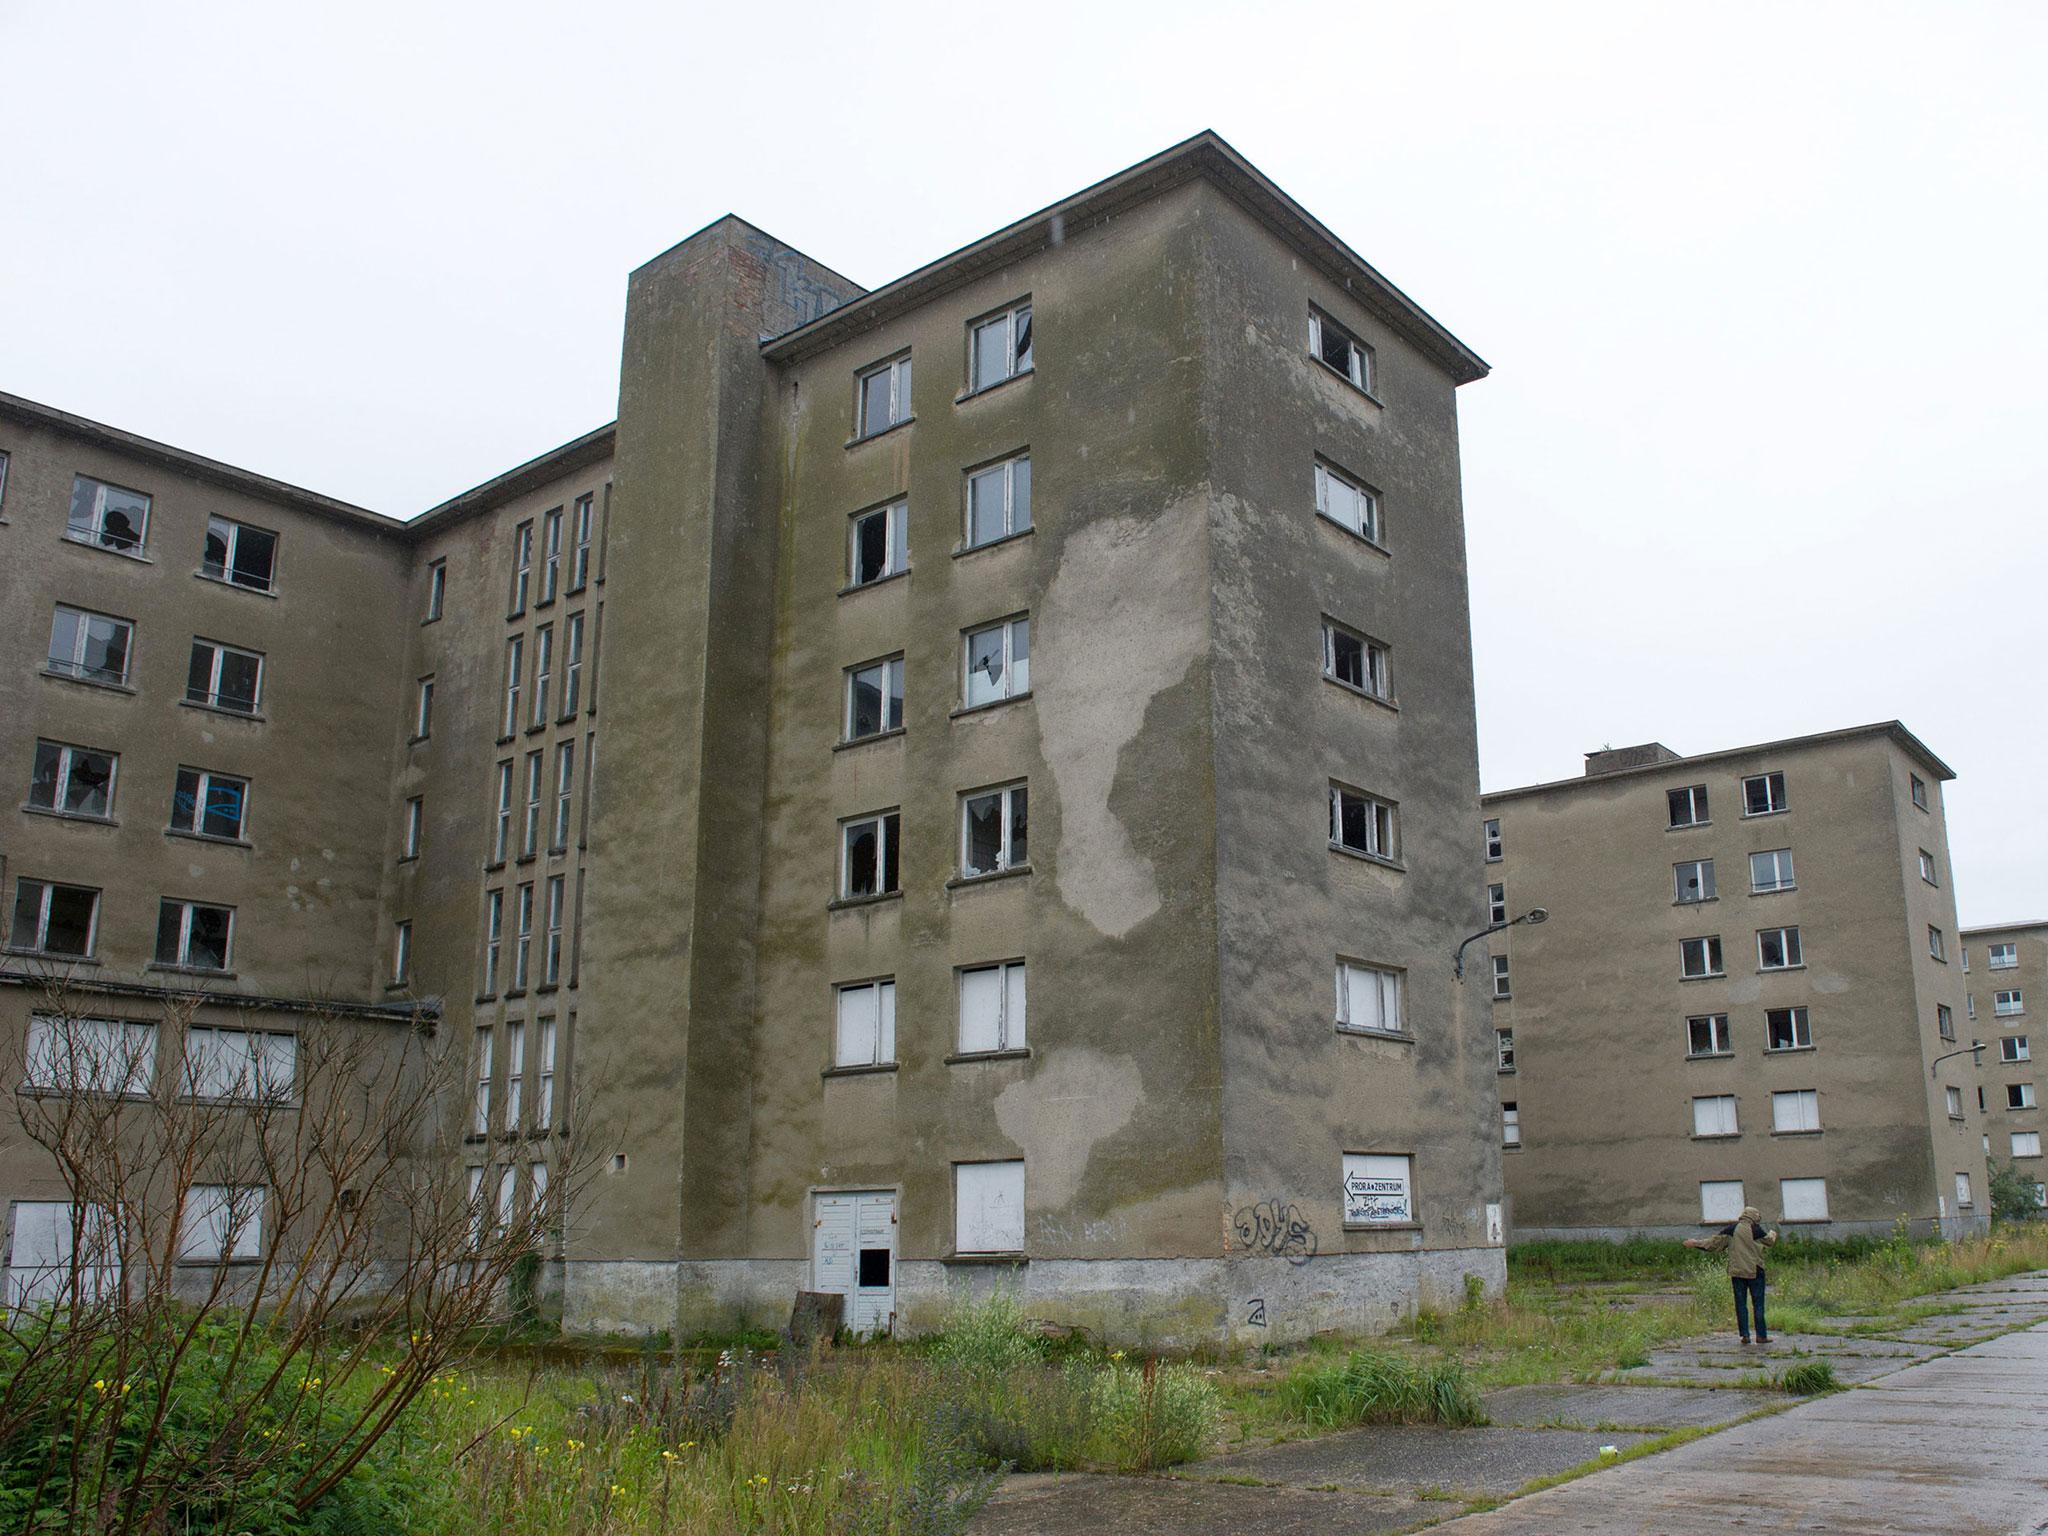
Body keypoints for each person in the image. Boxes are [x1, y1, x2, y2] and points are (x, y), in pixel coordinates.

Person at [1685, 1205, 1777, 1343]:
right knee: (1758, 1304)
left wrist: (1695, 1243)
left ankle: (1745, 1335)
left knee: (1741, 1304)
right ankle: (1761, 1336)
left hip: (1737, 1272)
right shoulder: (1756, 1230)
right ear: (1754, 1217)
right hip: (1755, 1271)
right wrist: (1773, 1233)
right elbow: (1769, 1242)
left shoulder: (1732, 1229)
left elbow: (1713, 1243)